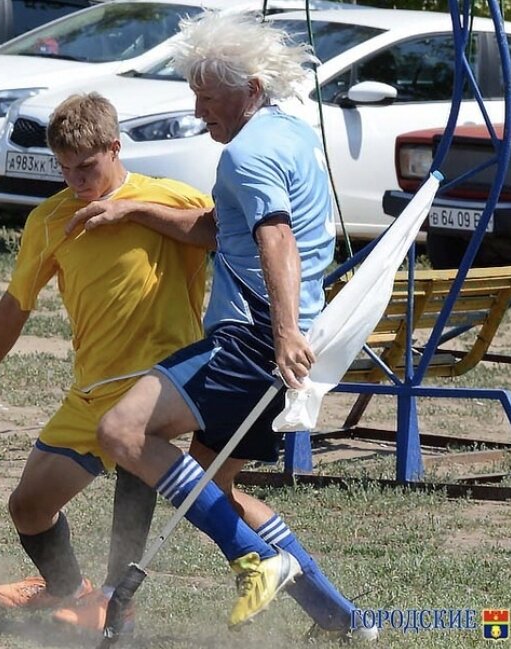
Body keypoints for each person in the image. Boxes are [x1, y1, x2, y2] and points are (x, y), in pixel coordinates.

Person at [78, 14, 376, 641]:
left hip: (250, 337)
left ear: (251, 89)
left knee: (122, 430)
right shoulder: (287, 134)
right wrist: (132, 208)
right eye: (195, 95)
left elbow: (277, 238)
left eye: (208, 99)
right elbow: (223, 230)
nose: (198, 110)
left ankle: (259, 558)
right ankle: (341, 619)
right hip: (282, 340)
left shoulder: (246, 153)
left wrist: (284, 331)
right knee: (214, 490)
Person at [0, 92, 213, 633]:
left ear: (115, 148)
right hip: (91, 391)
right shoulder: (50, 219)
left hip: (160, 382)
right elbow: (17, 303)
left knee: (136, 451)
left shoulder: (172, 198)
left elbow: (224, 234)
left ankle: (117, 600)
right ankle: (69, 590)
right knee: (27, 508)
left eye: (86, 166)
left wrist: (133, 209)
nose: (76, 180)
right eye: (64, 169)